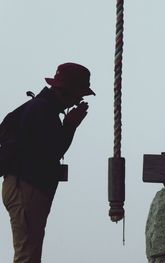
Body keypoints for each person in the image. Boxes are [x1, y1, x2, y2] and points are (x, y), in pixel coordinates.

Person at [1, 62, 95, 262]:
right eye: (79, 93)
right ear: (68, 90)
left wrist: (68, 125)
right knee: (28, 254)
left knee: (29, 251)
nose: (79, 99)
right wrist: (70, 126)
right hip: (26, 186)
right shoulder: (43, 110)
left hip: (22, 185)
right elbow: (51, 151)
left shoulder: (39, 108)